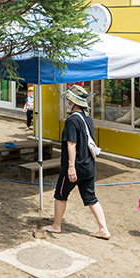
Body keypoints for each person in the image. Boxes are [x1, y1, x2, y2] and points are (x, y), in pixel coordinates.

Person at [42, 84, 111, 239]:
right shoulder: (88, 118)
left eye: (69, 99)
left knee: (60, 194)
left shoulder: (72, 120)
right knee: (91, 198)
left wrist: (70, 167)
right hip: (88, 165)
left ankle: (56, 226)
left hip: (76, 166)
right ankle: (103, 229)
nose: (67, 101)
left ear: (73, 102)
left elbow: (72, 144)